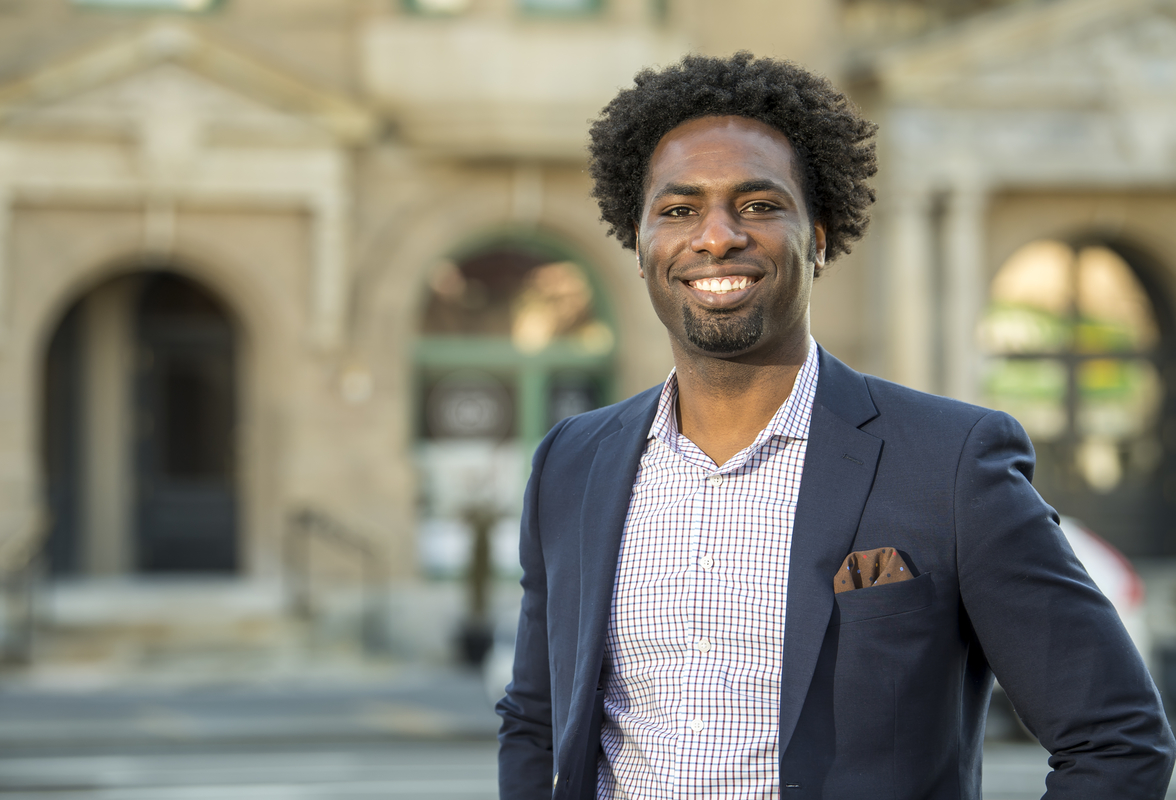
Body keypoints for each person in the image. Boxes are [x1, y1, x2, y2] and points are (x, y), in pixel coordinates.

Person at [495, 52, 1175, 799]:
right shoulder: (572, 462)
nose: (716, 237)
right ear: (639, 242)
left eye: (758, 205)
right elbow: (536, 720)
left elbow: (1115, 740)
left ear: (819, 236)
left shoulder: (948, 464)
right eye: (679, 209)